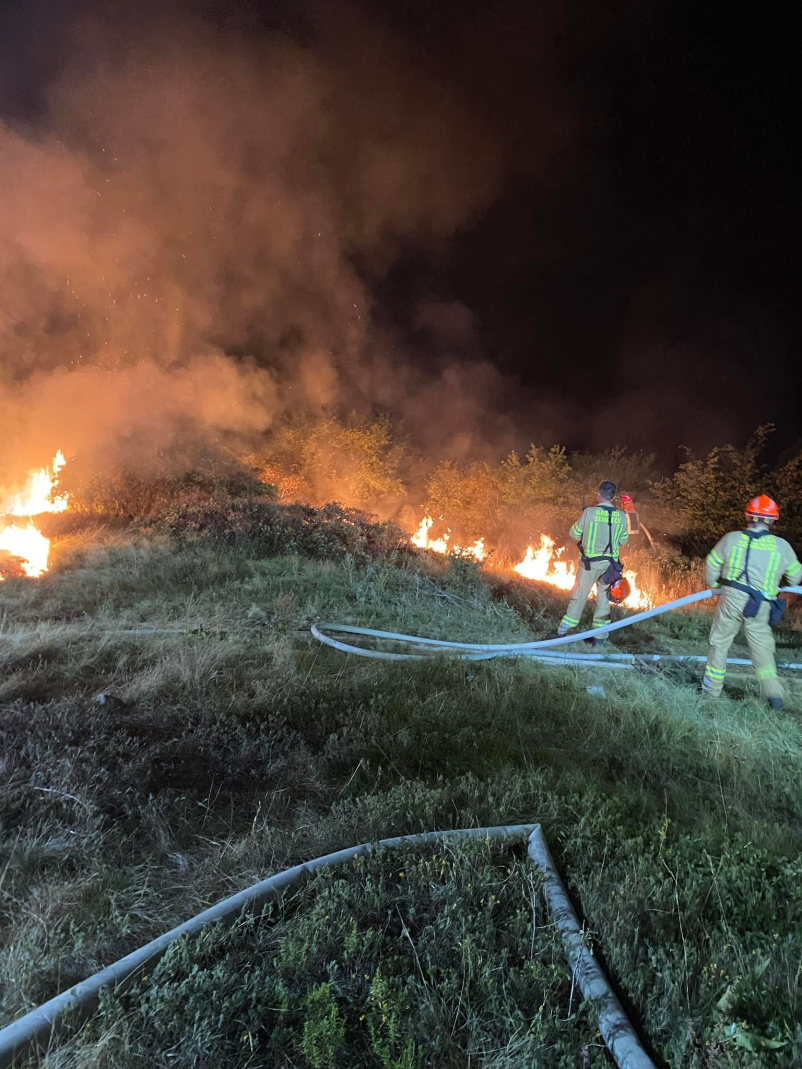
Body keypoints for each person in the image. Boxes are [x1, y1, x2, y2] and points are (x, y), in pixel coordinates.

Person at [703, 495, 802, 710]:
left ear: (748, 516)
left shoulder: (731, 539)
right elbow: (796, 576)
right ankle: (774, 694)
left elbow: (711, 564)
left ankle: (711, 693)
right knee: (762, 649)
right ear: (772, 520)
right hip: (761, 604)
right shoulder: (782, 546)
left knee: (719, 644)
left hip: (731, 598)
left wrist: (714, 585)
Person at [557, 481, 629, 644]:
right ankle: (599, 638)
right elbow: (623, 541)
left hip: (589, 565)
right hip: (610, 567)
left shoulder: (589, 513)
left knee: (579, 596)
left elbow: (573, 534)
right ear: (614, 497)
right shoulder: (621, 516)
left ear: (598, 494)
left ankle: (564, 631)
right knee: (604, 601)